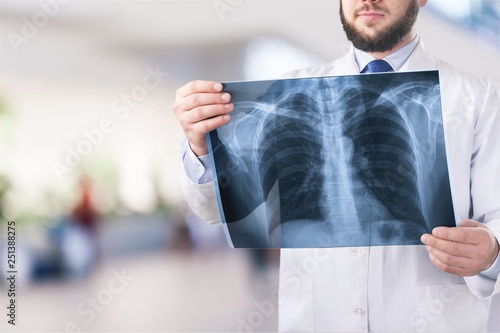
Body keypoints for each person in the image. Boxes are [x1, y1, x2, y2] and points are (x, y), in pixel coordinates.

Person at [173, 0, 500, 331]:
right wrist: (200, 146)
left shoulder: (477, 97)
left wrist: (491, 249)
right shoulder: (285, 93)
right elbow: (216, 210)